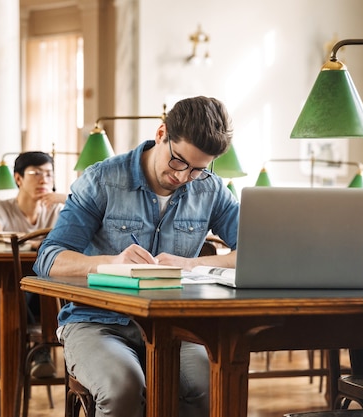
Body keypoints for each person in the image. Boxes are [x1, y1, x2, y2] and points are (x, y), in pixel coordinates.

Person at [33, 96, 240, 417]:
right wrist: (110, 263)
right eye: (179, 161)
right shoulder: (102, 180)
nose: (184, 177)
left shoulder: (210, 190)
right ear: (161, 134)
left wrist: (192, 263)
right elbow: (49, 259)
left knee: (210, 384)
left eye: (198, 169)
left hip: (177, 327)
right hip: (97, 323)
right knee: (123, 389)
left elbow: (255, 252)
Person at [0, 151, 66, 378]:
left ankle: (31, 356)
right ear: (18, 179)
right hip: (2, 288)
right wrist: (38, 242)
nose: (43, 180)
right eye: (35, 173)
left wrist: (68, 199)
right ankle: (37, 355)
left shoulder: (59, 209)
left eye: (48, 174)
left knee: (41, 289)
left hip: (45, 295)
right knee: (15, 290)